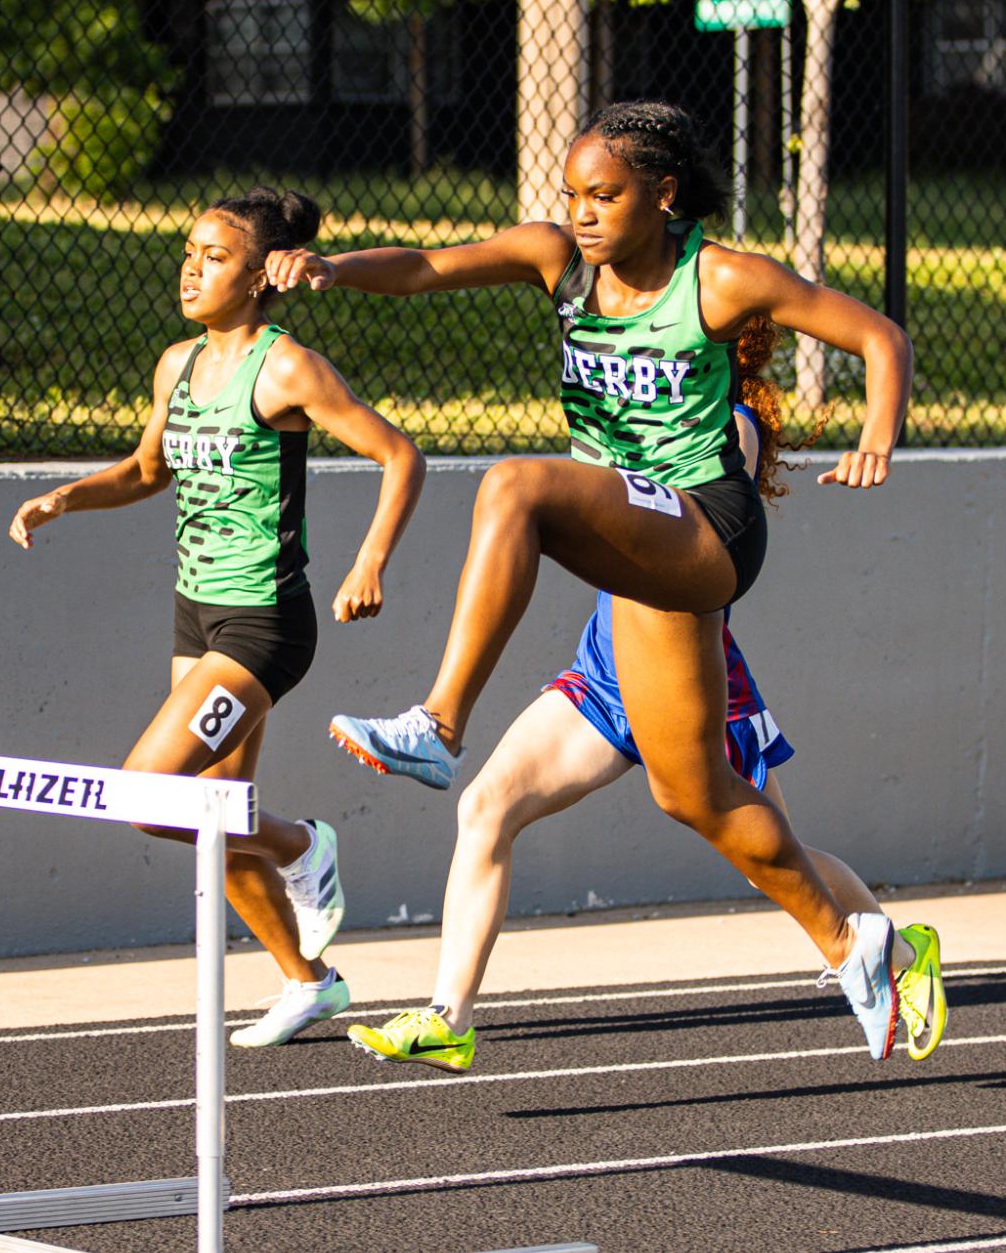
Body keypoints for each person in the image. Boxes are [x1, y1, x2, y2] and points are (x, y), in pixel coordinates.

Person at [266, 100, 920, 1060]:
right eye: (570, 194)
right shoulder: (557, 261)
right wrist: (334, 267)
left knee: (517, 484)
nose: (581, 212)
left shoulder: (719, 275)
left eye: (604, 195)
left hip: (706, 529)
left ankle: (439, 723)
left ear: (661, 193)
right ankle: (857, 942)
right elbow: (426, 268)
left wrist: (877, 434)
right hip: (636, 534)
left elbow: (878, 336)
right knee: (692, 792)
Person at [347, 328, 946, 1071]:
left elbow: (695, 511)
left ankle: (894, 950)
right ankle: (449, 1016)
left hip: (695, 682)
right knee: (486, 806)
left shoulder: (732, 425)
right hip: (605, 673)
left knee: (775, 856)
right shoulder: (634, 411)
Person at [8, 187, 425, 1047]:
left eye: (215, 256)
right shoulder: (177, 364)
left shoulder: (287, 368)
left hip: (265, 622)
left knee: (150, 795)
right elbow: (145, 469)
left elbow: (399, 454)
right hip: (195, 612)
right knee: (211, 813)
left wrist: (370, 558)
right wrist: (64, 498)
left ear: (262, 276)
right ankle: (307, 982)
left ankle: (304, 844)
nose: (192, 268)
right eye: (188, 251)